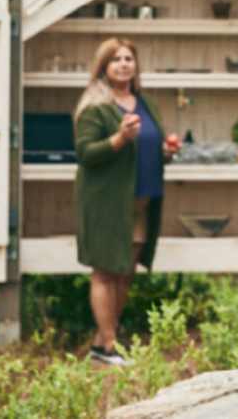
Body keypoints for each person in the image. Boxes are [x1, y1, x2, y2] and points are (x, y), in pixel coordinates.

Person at [74, 37, 180, 365]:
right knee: (105, 272)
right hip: (107, 203)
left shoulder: (146, 102)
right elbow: (86, 153)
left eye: (128, 58)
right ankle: (110, 345)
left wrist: (166, 152)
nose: (123, 64)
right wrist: (119, 138)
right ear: (104, 67)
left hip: (141, 203)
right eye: (115, 59)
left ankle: (102, 341)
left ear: (135, 65)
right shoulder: (95, 106)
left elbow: (149, 148)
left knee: (125, 272)